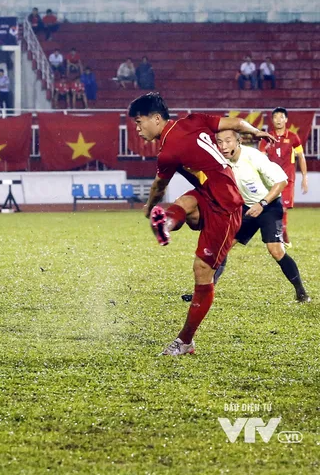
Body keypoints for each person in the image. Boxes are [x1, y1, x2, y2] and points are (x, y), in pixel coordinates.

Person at [128, 92, 276, 356]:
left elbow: (160, 185)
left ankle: (185, 341)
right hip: (211, 194)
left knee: (202, 272)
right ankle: (165, 225)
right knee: (185, 203)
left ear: (157, 118)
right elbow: (238, 123)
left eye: (139, 122)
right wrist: (258, 132)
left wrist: (150, 206)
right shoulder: (194, 119)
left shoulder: (168, 152)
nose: (138, 129)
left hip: (227, 208)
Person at [182, 130, 310, 303]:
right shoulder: (220, 160)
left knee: (276, 250)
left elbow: (282, 181)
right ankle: (205, 294)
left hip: (269, 206)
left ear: (238, 141)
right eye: (220, 142)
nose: (224, 146)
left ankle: (301, 293)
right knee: (223, 247)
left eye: (228, 141)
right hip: (246, 209)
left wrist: (262, 204)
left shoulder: (254, 157)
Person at [258, 107, 308, 248]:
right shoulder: (267, 138)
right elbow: (261, 157)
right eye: (275, 117)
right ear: (272, 120)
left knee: (283, 208)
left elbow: (301, 156)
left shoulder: (293, 137)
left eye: (281, 117)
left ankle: (282, 236)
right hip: (270, 180)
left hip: (287, 180)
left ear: (286, 120)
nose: (278, 120)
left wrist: (305, 177)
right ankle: (283, 235)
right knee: (270, 208)